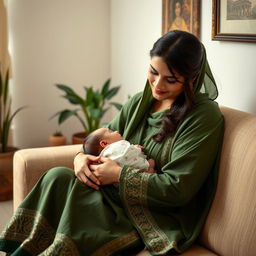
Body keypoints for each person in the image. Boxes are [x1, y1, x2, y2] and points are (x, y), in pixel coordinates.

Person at [0, 30, 224, 255]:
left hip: (153, 213)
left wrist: (117, 174)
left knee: (80, 200)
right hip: (113, 194)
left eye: (171, 79)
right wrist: (80, 158)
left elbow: (178, 189)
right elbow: (103, 139)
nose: (157, 85)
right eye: (153, 72)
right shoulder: (139, 103)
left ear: (192, 79)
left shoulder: (203, 117)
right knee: (56, 176)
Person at [83, 127, 155, 173]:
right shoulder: (115, 147)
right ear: (104, 143)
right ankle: (147, 168)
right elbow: (126, 152)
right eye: (111, 132)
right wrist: (136, 148)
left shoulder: (101, 158)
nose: (116, 131)